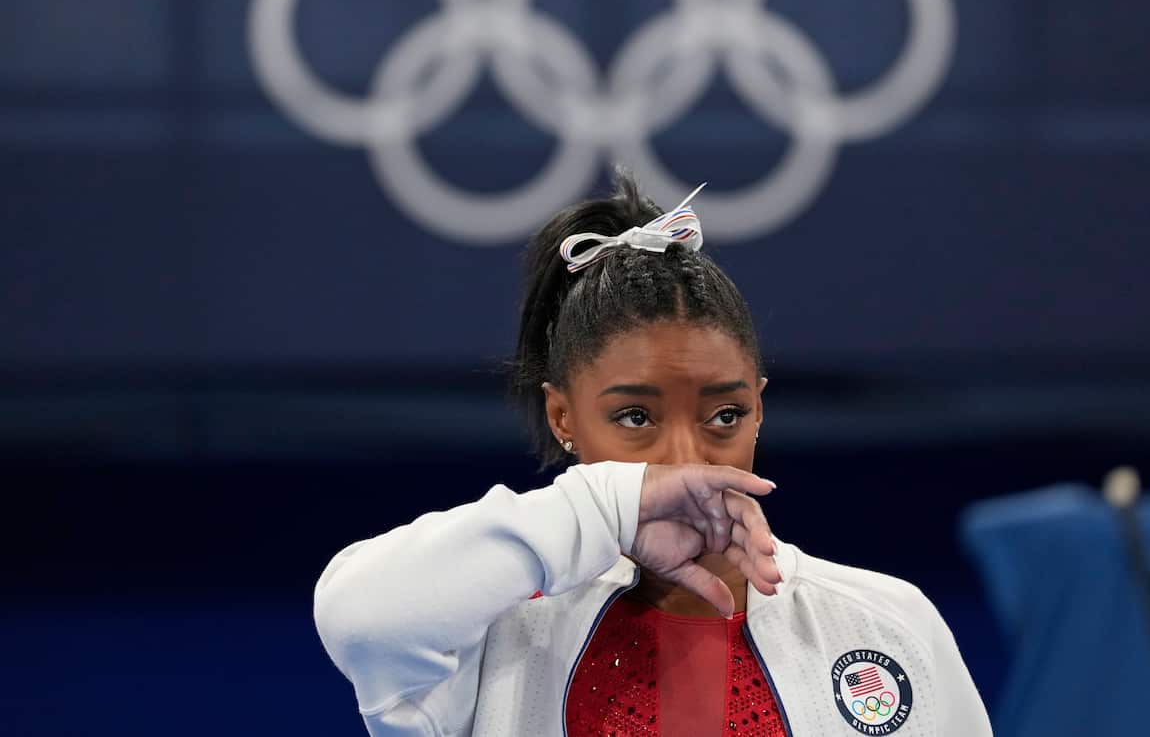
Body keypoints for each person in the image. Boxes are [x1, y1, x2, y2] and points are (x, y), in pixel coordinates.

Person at [314, 174, 992, 736]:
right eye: (635, 417)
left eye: (725, 414)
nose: (686, 458)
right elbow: (357, 617)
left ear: (760, 407)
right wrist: (606, 506)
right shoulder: (496, 633)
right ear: (563, 417)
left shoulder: (886, 622)